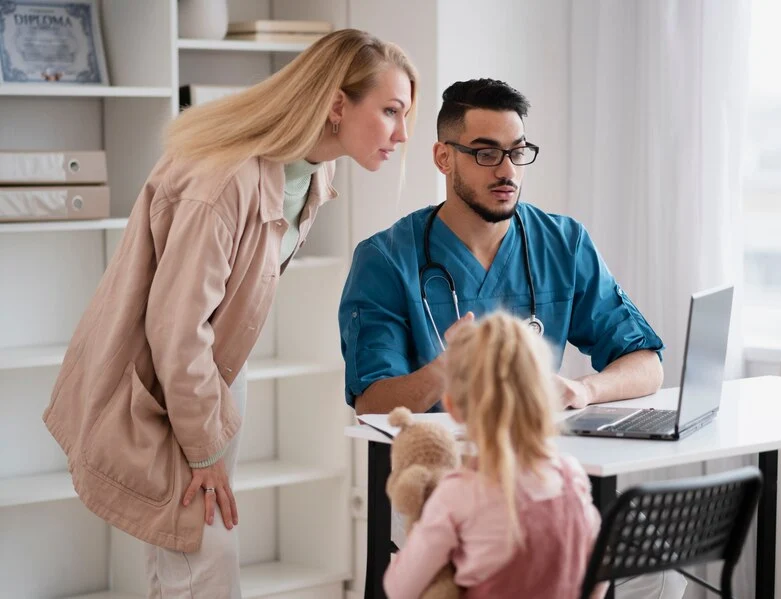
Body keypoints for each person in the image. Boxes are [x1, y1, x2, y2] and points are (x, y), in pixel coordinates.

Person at [43, 29, 417, 598]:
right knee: (203, 563)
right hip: (169, 383)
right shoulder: (225, 182)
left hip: (212, 376)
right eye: (391, 111)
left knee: (186, 563)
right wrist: (206, 447)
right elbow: (176, 332)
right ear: (338, 104)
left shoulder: (318, 168)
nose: (402, 134)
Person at [339, 78, 664, 416]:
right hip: (438, 462)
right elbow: (371, 404)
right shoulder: (386, 259)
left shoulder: (563, 244)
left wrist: (583, 390)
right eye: (487, 154)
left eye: (517, 152)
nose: (507, 170)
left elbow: (646, 365)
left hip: (537, 459)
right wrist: (446, 369)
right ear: (444, 158)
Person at [383, 311, 605, 599]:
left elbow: (399, 589)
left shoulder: (458, 494)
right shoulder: (572, 478)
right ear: (546, 396)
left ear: (452, 405)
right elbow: (598, 575)